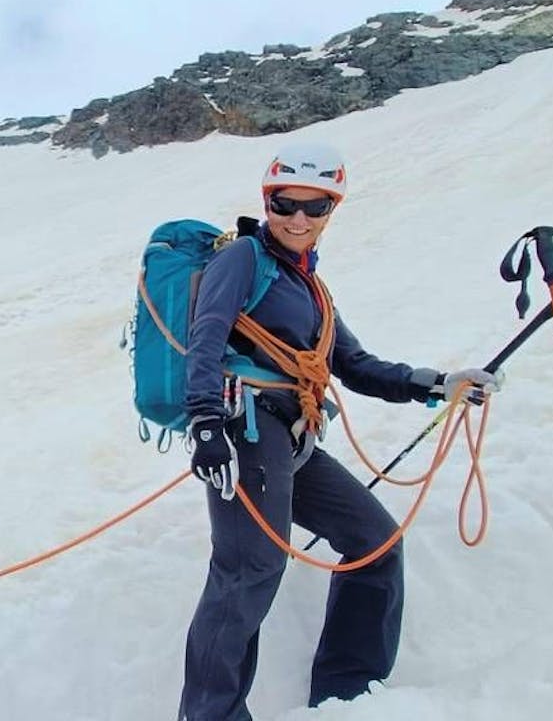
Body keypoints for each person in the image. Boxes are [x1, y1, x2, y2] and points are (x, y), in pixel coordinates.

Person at [178, 144, 497, 719]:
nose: (298, 218)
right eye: (286, 203)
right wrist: (204, 423)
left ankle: (347, 698)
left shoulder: (313, 291)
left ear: (332, 210)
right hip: (244, 426)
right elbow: (206, 335)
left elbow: (354, 364)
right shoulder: (244, 258)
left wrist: (439, 383)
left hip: (293, 438)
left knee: (375, 542)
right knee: (249, 567)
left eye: (315, 206)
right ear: (267, 200)